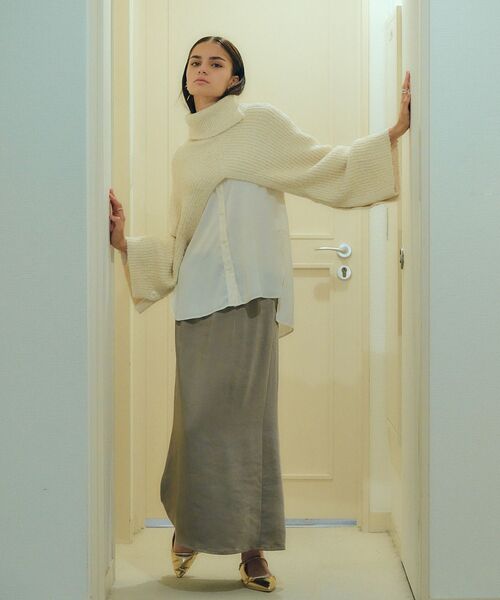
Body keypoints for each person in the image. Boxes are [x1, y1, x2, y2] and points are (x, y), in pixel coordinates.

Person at [109, 35, 411, 593]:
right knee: (196, 424)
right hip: (198, 299)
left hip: (251, 297)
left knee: (249, 427)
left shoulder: (260, 126)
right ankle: (189, 529)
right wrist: (127, 242)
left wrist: (392, 134)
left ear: (235, 79)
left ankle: (253, 550)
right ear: (187, 77)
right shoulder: (185, 157)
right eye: (195, 62)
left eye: (216, 63)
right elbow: (180, 237)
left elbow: (323, 165)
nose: (203, 69)